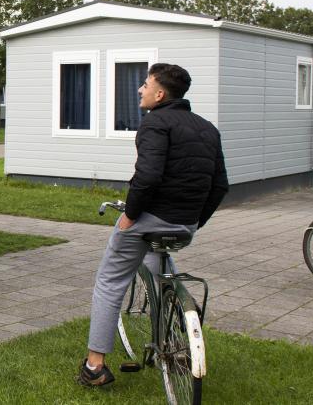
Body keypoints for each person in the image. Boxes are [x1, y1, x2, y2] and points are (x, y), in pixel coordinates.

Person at [78, 63, 228, 387]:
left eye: (145, 84)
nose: (140, 89)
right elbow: (220, 187)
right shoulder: (208, 129)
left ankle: (94, 367)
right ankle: (175, 338)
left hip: (150, 220)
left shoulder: (155, 123)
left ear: (160, 94)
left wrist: (129, 215)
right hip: (185, 225)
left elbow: (147, 177)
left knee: (110, 280)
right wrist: (193, 222)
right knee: (157, 263)